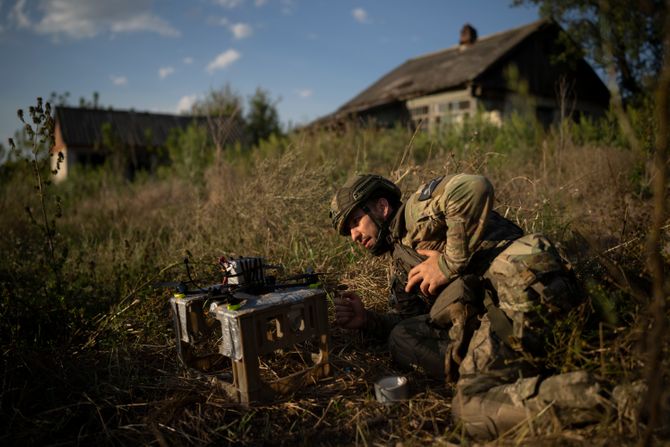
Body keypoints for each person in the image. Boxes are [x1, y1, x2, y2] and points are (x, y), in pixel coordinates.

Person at [330, 173, 604, 440]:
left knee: (470, 408)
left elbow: (472, 187)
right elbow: (410, 320)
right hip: (507, 300)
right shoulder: (401, 259)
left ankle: (616, 400)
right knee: (401, 337)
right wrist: (367, 319)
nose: (354, 235)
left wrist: (447, 265)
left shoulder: (413, 214)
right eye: (348, 232)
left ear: (381, 206)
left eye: (356, 221)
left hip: (520, 283)